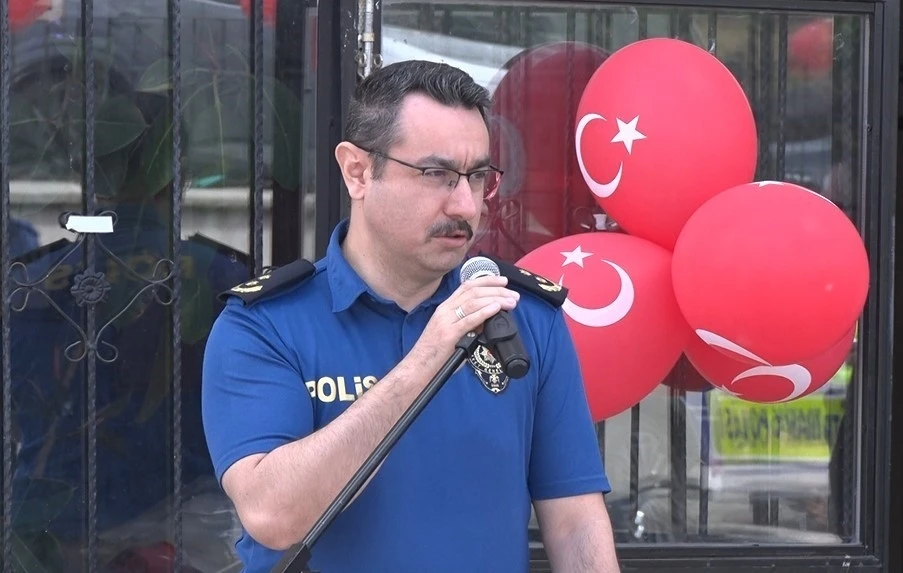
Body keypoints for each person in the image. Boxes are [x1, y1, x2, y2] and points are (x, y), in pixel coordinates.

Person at [202, 59, 620, 573]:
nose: (465, 205)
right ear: (357, 171)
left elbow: (574, 519)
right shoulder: (266, 326)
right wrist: (426, 359)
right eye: (436, 175)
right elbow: (272, 515)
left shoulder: (523, 317)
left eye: (477, 176)